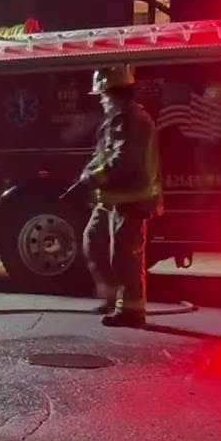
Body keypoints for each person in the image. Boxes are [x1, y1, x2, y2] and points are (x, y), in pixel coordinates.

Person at [79, 65, 163, 328]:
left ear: (117, 94)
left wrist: (95, 177)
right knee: (93, 241)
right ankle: (112, 296)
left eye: (103, 95)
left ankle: (132, 312)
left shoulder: (135, 122)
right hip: (111, 199)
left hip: (133, 200)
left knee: (125, 256)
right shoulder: (115, 120)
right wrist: (88, 172)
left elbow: (125, 161)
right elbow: (102, 155)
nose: (101, 101)